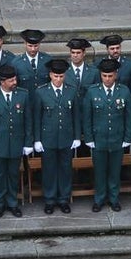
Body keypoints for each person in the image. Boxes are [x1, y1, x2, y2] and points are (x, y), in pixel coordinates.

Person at [83, 58, 131, 212]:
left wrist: (127, 138)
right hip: (98, 139)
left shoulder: (124, 91)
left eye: (110, 76)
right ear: (100, 75)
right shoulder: (92, 92)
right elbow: (87, 117)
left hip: (117, 139)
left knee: (114, 171)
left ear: (116, 75)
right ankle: (99, 199)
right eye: (104, 76)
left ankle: (113, 198)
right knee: (99, 171)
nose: (107, 79)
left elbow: (129, 116)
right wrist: (89, 138)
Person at [0, 65, 33, 218]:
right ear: (2, 82)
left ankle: (12, 202)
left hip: (17, 143)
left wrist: (28, 142)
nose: (14, 82)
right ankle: (0, 203)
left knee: (13, 174)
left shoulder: (23, 95)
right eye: (11, 80)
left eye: (15, 79)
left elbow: (28, 121)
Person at [33, 58, 80, 214]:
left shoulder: (72, 91)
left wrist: (77, 137)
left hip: (66, 137)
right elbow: (37, 117)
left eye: (61, 76)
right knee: (49, 170)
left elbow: (75, 115)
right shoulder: (41, 91)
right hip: (48, 138)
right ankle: (50, 199)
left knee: (66, 169)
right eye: (55, 76)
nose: (58, 79)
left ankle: (64, 199)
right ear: (50, 75)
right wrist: (37, 139)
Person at [14, 29, 53, 93]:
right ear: (25, 43)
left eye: (36, 46)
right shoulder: (17, 63)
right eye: (30, 46)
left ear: (39, 44)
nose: (33, 49)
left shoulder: (48, 60)